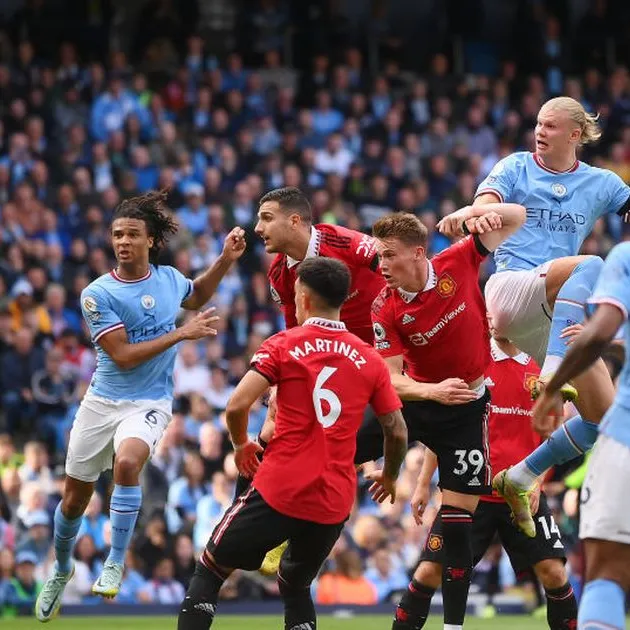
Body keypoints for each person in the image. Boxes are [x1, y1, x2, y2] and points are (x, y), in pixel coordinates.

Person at [35, 190, 246, 622]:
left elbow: (196, 293)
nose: (123, 241)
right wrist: (180, 335)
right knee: (74, 500)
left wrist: (225, 258)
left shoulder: (168, 279)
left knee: (128, 465)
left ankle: (115, 560)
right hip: (101, 402)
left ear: (150, 240)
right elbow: (124, 355)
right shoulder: (98, 294)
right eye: (117, 234)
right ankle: (60, 569)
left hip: (149, 401)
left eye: (132, 234)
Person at [177, 257, 407, 630]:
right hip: (333, 499)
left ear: (304, 298)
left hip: (280, 486)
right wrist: (392, 475)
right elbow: (396, 430)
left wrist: (240, 445)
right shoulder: (369, 358)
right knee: (295, 584)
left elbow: (237, 405)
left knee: (211, 568)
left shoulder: (283, 344)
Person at [467, 96, 630, 538]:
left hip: (556, 312)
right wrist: (480, 214)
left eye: (551, 126)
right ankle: (554, 374)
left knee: (605, 418)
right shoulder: (515, 166)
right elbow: (486, 201)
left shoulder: (601, 183)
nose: (540, 132)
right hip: (510, 291)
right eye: (538, 123)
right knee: (591, 265)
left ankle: (520, 475)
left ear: (575, 135)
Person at [365, 207, 525, 630]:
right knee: (341, 439)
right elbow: (391, 381)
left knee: (457, 532)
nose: (382, 266)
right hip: (418, 403)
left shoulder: (458, 260)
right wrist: (431, 391)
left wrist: (475, 212)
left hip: (467, 411)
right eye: (379, 258)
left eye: (389, 256)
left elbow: (518, 217)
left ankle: (453, 627)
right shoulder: (385, 306)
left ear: (419, 253)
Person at [236, 185, 387, 572]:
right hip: (325, 362)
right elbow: (292, 331)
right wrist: (276, 393)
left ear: (296, 220)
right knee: (271, 434)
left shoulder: (348, 243)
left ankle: (294, 528)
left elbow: (397, 265)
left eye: (266, 217)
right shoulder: (278, 273)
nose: (257, 228)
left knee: (341, 445)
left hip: (379, 359)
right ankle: (254, 530)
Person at [392, 318, 577, 630]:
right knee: (427, 573)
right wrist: (423, 484)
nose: (493, 320)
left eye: (501, 313)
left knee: (554, 573)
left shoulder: (542, 364)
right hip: (470, 493)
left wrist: (537, 481)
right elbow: (448, 430)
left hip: (520, 491)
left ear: (518, 313)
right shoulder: (470, 363)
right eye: (488, 314)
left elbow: (554, 435)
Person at [531, 242, 630, 630]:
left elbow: (599, 331)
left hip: (625, 437)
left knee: (606, 574)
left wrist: (554, 385)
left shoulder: (625, 257)